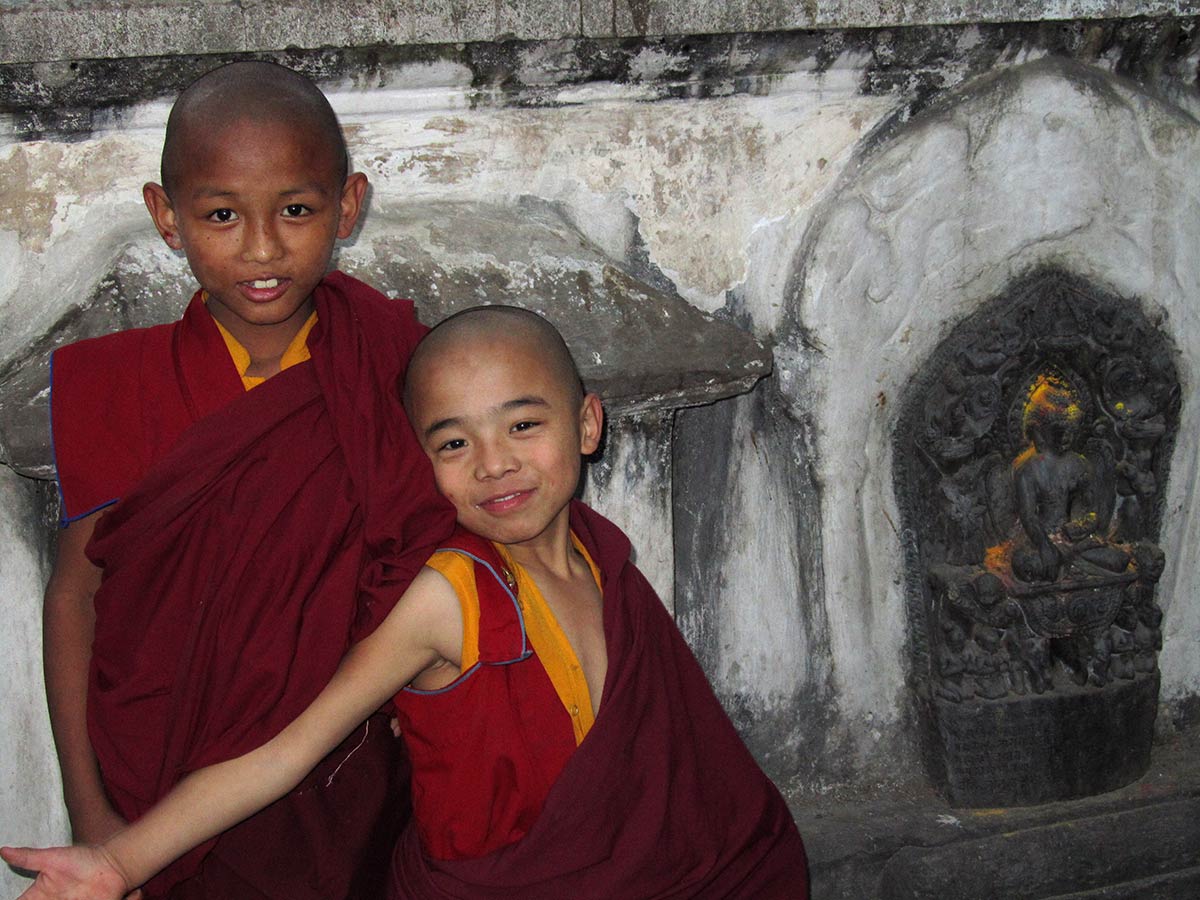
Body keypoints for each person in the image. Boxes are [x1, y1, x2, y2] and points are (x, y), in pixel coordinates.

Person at [5, 306, 809, 899]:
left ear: (587, 423)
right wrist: (118, 862)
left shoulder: (607, 563)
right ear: (417, 461)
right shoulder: (446, 597)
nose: (495, 465)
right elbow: (283, 752)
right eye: (453, 443)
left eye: (523, 425)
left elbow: (678, 778)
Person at [32, 60, 454, 899]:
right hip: (155, 777)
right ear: (167, 216)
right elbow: (76, 595)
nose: (262, 248)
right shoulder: (120, 385)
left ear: (347, 204)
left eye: (295, 210)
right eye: (222, 214)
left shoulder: (397, 367)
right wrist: (92, 813)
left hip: (347, 788)